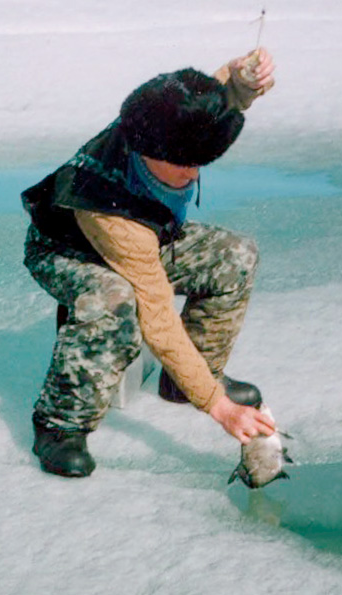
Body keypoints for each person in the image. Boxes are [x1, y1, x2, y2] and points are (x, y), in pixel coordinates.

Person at [20, 48, 277, 477]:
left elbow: (200, 105)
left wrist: (240, 82)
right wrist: (219, 407)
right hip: (67, 250)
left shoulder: (155, 123)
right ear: (151, 151)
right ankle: (60, 423)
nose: (193, 175)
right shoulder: (111, 210)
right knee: (113, 299)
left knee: (235, 255)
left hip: (148, 237)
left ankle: (189, 379)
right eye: (183, 165)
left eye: (199, 162)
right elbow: (156, 317)